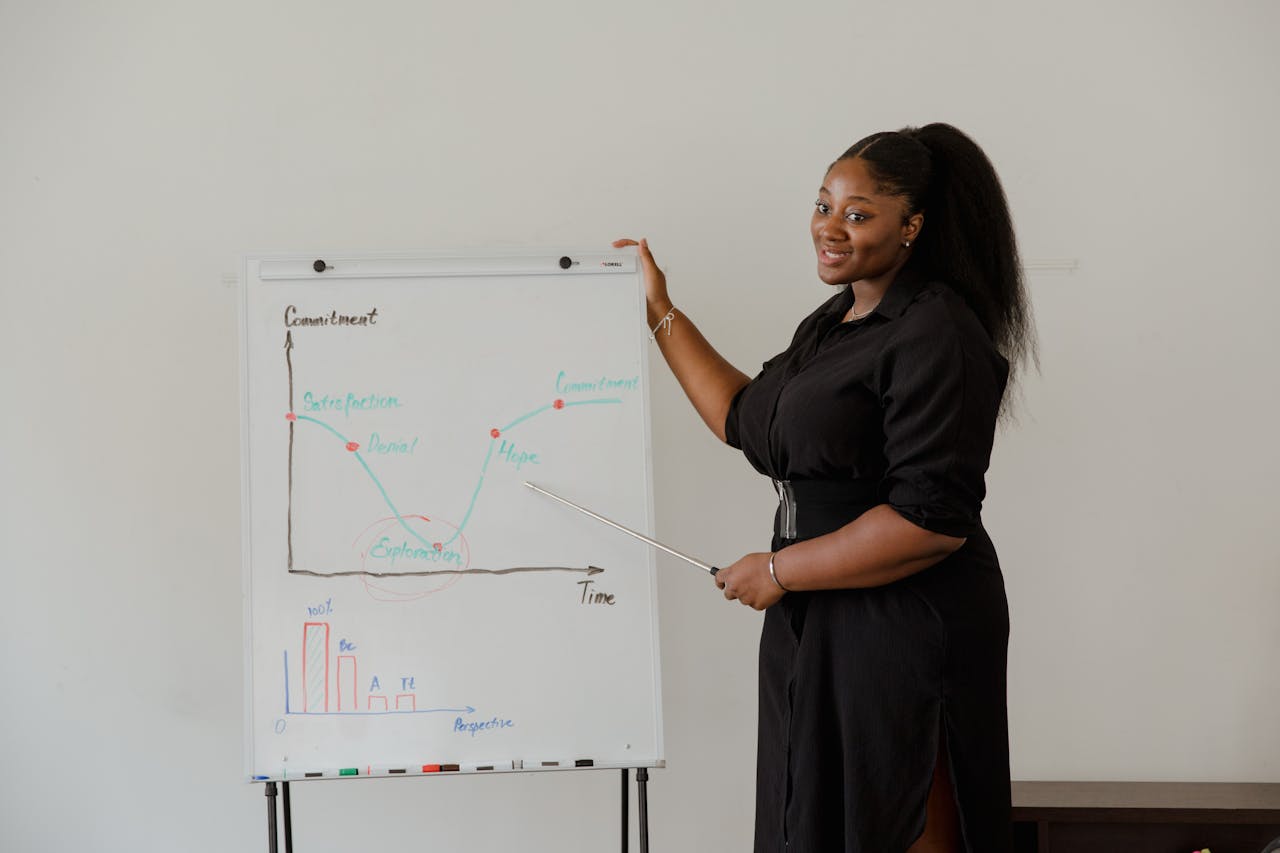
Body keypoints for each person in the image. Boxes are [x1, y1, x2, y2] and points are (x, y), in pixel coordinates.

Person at [614, 123, 1035, 853]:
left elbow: (929, 521)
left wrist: (780, 570)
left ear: (912, 226)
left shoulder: (938, 330)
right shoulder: (835, 321)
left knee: (893, 812)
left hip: (902, 620)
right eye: (823, 205)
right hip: (814, 614)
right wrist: (658, 308)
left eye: (857, 213)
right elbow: (741, 417)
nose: (829, 227)